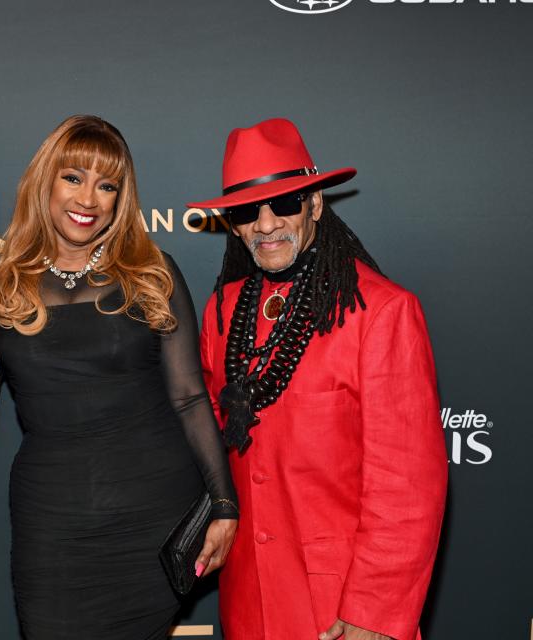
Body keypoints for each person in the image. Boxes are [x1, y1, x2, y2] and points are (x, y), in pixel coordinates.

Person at [0, 115, 239, 639]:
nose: (89, 199)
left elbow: (190, 398)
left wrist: (223, 503)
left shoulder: (152, 271)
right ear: (46, 181)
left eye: (107, 185)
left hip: (152, 515)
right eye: (74, 177)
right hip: (52, 522)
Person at [188, 118, 447, 640]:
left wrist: (374, 614)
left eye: (283, 204)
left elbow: (407, 485)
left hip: (341, 608)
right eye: (246, 211)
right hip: (249, 601)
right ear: (232, 224)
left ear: (315, 204)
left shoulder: (381, 312)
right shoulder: (223, 311)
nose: (265, 225)